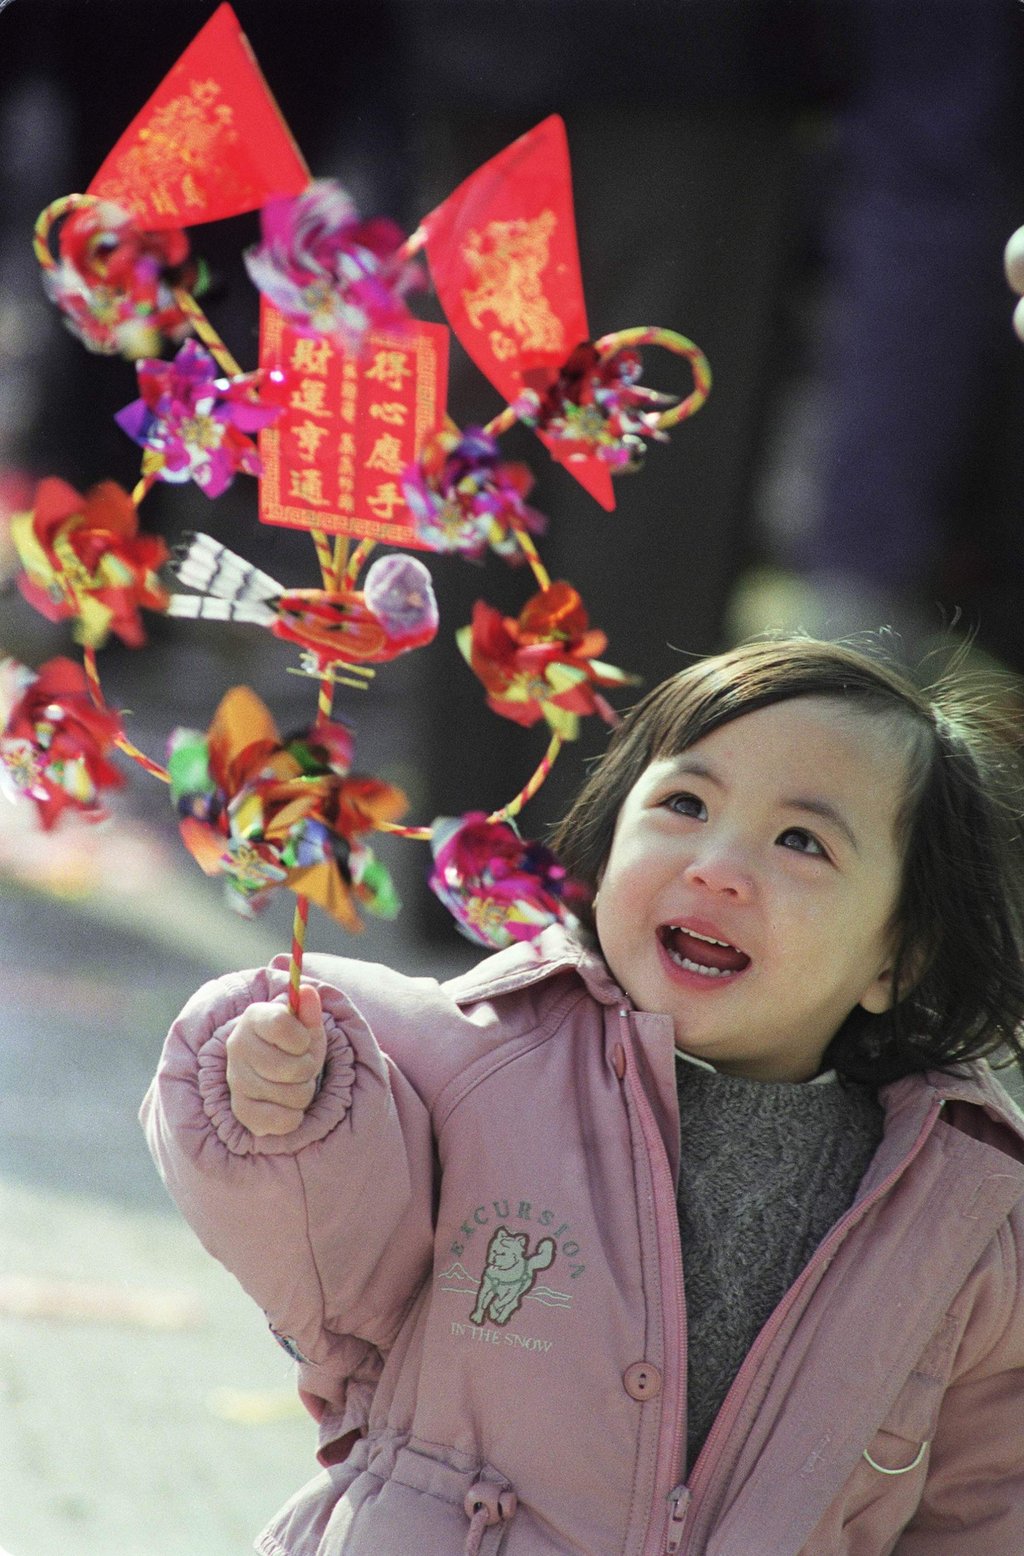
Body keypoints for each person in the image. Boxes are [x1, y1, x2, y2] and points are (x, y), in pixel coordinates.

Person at [142, 636, 1024, 1555]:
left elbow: (985, 1504)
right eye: (685, 804)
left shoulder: (965, 1210)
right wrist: (285, 1103)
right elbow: (327, 1275)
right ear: (603, 860)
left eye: (801, 840)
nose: (718, 864)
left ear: (897, 958)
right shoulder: (472, 1059)